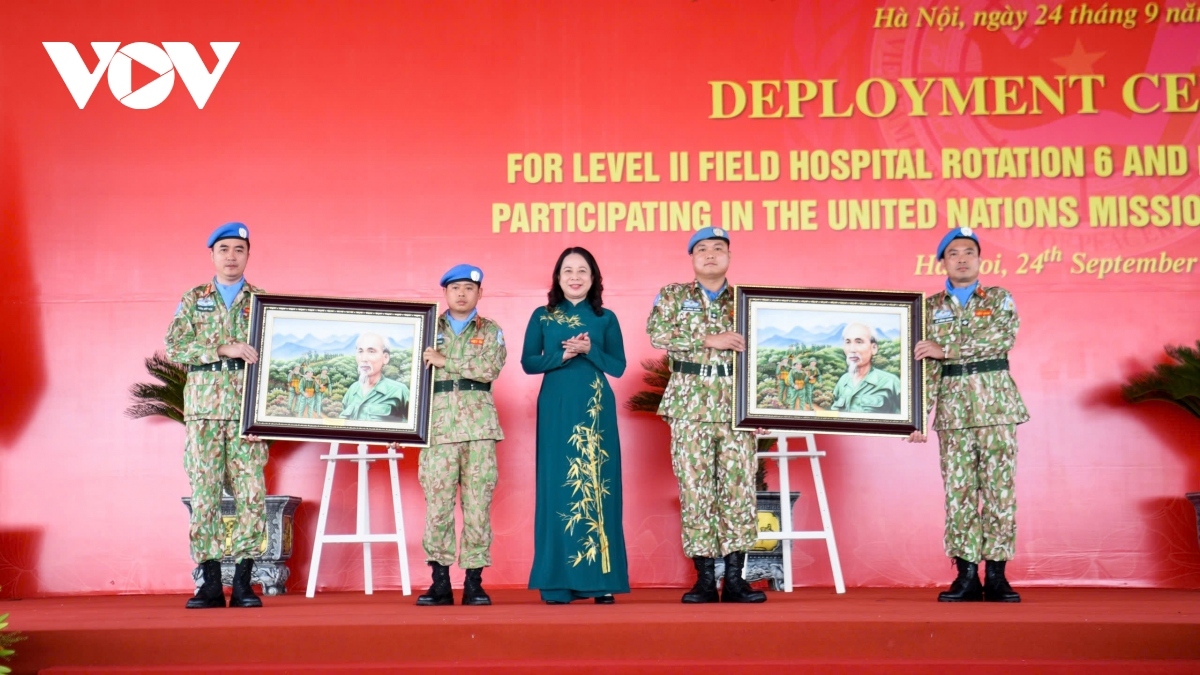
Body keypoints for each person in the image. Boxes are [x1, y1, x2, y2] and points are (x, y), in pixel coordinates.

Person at [907, 227, 1029, 603]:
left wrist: (947, 349)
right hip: (954, 411)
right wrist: (915, 417)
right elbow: (924, 366)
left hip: (995, 408)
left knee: (999, 492)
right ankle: (965, 576)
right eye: (954, 253)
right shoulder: (928, 308)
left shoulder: (998, 298)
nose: (962, 258)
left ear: (979, 260)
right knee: (958, 494)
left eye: (969, 252)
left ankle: (996, 575)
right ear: (941, 261)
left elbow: (1001, 339)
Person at [646, 227, 767, 604]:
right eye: (702, 249)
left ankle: (734, 579)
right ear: (692, 257)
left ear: (730, 257)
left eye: (718, 248)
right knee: (696, 490)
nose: (710, 254)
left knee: (738, 491)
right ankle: (703, 579)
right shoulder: (673, 295)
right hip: (690, 404)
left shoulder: (749, 300)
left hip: (735, 405)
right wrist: (706, 340)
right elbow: (657, 333)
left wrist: (762, 404)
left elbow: (768, 351)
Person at [164, 222, 267, 609]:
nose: (230, 256)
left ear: (247, 256)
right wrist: (223, 347)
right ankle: (209, 581)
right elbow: (174, 345)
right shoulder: (194, 299)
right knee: (205, 494)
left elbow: (275, 360)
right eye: (223, 249)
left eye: (238, 249)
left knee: (251, 494)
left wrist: (267, 415)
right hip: (205, 411)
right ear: (212, 255)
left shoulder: (262, 301)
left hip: (246, 413)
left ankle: (243, 581)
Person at [522, 247, 630, 604]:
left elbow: (617, 367)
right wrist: (562, 356)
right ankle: (557, 583)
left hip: (594, 408)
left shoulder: (605, 318)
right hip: (555, 406)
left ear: (594, 277)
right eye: (567, 270)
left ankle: (601, 582)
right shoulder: (543, 316)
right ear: (557, 277)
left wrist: (588, 352)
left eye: (582, 271)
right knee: (557, 486)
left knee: (599, 484)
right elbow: (528, 363)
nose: (575, 277)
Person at [396, 264, 507, 606]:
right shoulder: (426, 327)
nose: (461, 294)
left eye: (469, 289)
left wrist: (446, 361)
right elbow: (405, 372)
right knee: (438, 508)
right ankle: (440, 581)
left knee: (477, 507)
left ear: (480, 294)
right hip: (438, 429)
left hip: (478, 431)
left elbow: (491, 368)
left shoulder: (490, 330)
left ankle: (474, 581)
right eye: (455, 288)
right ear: (445, 292)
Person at [830, 323, 902, 415]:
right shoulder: (843, 381)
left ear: (874, 348)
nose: (852, 349)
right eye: (848, 342)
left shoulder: (891, 382)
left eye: (859, 342)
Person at [339, 332, 410, 422]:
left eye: (371, 351)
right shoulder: (352, 390)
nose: (364, 358)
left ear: (385, 358)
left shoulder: (399, 391)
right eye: (360, 351)